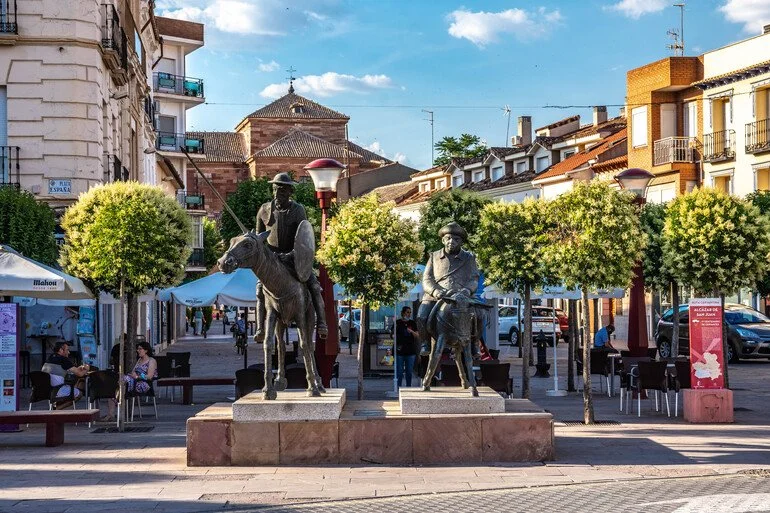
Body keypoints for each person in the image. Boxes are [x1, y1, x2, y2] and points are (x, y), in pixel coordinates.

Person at [255, 173, 327, 339]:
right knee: (259, 289)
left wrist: (290, 255)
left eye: (280, 190)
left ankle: (322, 323)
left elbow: (304, 239)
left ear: (289, 192)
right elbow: (259, 240)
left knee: (314, 286)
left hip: (293, 260)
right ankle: (260, 329)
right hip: (272, 261)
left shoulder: (298, 210)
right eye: (274, 189)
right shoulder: (264, 210)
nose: (276, 194)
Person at [416, 222, 480, 342]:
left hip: (462, 297)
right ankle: (425, 343)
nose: (451, 241)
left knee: (480, 316)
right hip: (436, 296)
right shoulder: (434, 256)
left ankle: (475, 343)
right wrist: (435, 291)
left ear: (461, 242)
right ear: (443, 241)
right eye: (448, 238)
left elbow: (474, 278)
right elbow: (427, 279)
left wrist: (467, 290)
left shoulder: (469, 258)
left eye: (456, 239)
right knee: (421, 316)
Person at [395, 306, 419, 387]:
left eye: (410, 312)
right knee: (400, 371)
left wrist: (411, 331)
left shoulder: (412, 323)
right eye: (407, 312)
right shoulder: (398, 322)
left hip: (410, 351)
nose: (409, 314)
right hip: (400, 350)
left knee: (409, 371)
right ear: (403, 313)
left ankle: (408, 387)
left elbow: (417, 336)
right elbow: (392, 334)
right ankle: (398, 387)